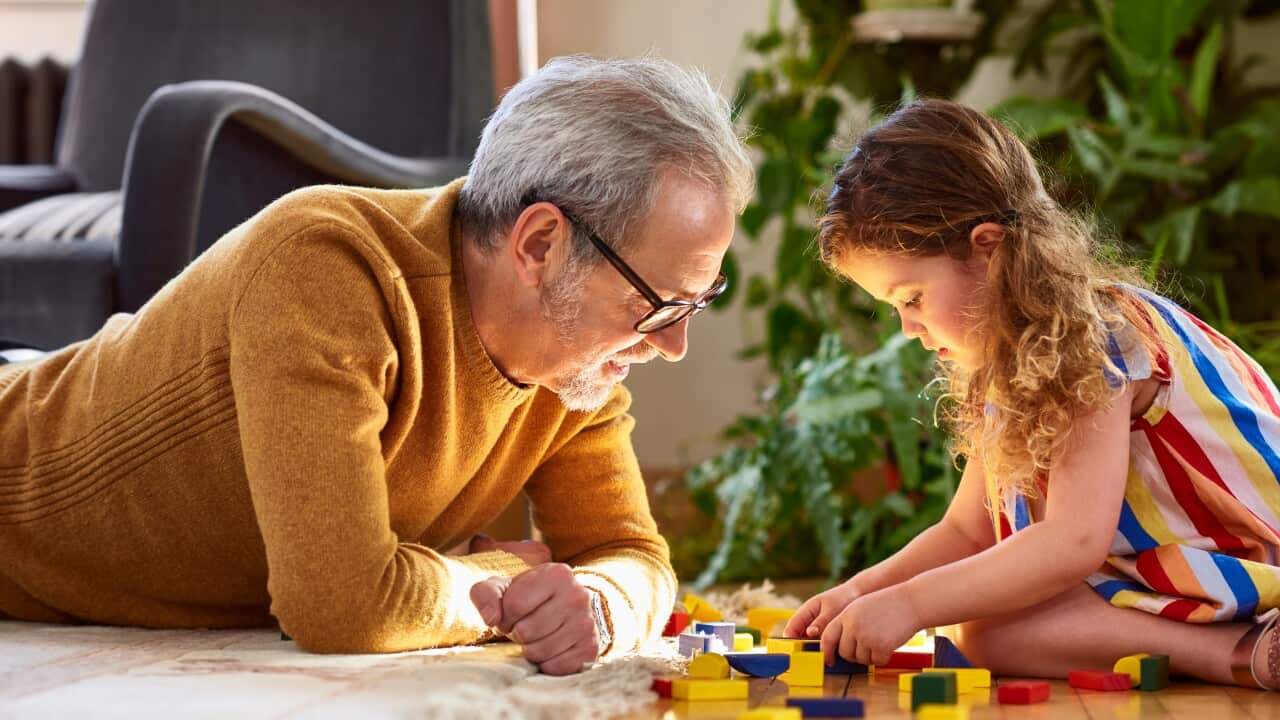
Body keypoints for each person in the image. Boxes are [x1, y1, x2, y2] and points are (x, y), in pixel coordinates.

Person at [0, 55, 753, 676]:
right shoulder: (327, 268)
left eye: (697, 302)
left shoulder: (574, 368)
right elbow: (341, 605)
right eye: (659, 304)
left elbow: (632, 554)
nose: (672, 343)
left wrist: (598, 602)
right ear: (539, 245)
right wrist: (498, 579)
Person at [785, 99, 1280, 690]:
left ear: (988, 249)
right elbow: (967, 532)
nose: (908, 329)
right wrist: (863, 590)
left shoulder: (1095, 338)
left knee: (986, 623)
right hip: (1172, 572)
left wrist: (912, 606)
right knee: (987, 633)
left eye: (911, 298)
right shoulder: (1006, 357)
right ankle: (1231, 648)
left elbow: (1071, 542)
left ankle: (1242, 649)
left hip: (1247, 558)